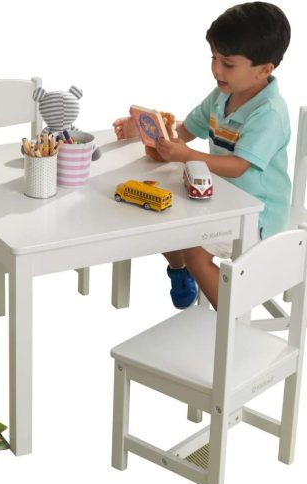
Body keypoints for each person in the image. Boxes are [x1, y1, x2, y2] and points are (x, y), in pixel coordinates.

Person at [113, 1, 291, 310]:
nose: (216, 70)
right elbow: (184, 130)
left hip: (256, 217)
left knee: (195, 251)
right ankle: (180, 271)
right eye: (214, 58)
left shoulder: (269, 113)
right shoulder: (222, 95)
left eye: (228, 64)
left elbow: (238, 166)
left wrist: (185, 155)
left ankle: (231, 320)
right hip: (216, 198)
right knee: (159, 217)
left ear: (264, 70)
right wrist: (148, 132)